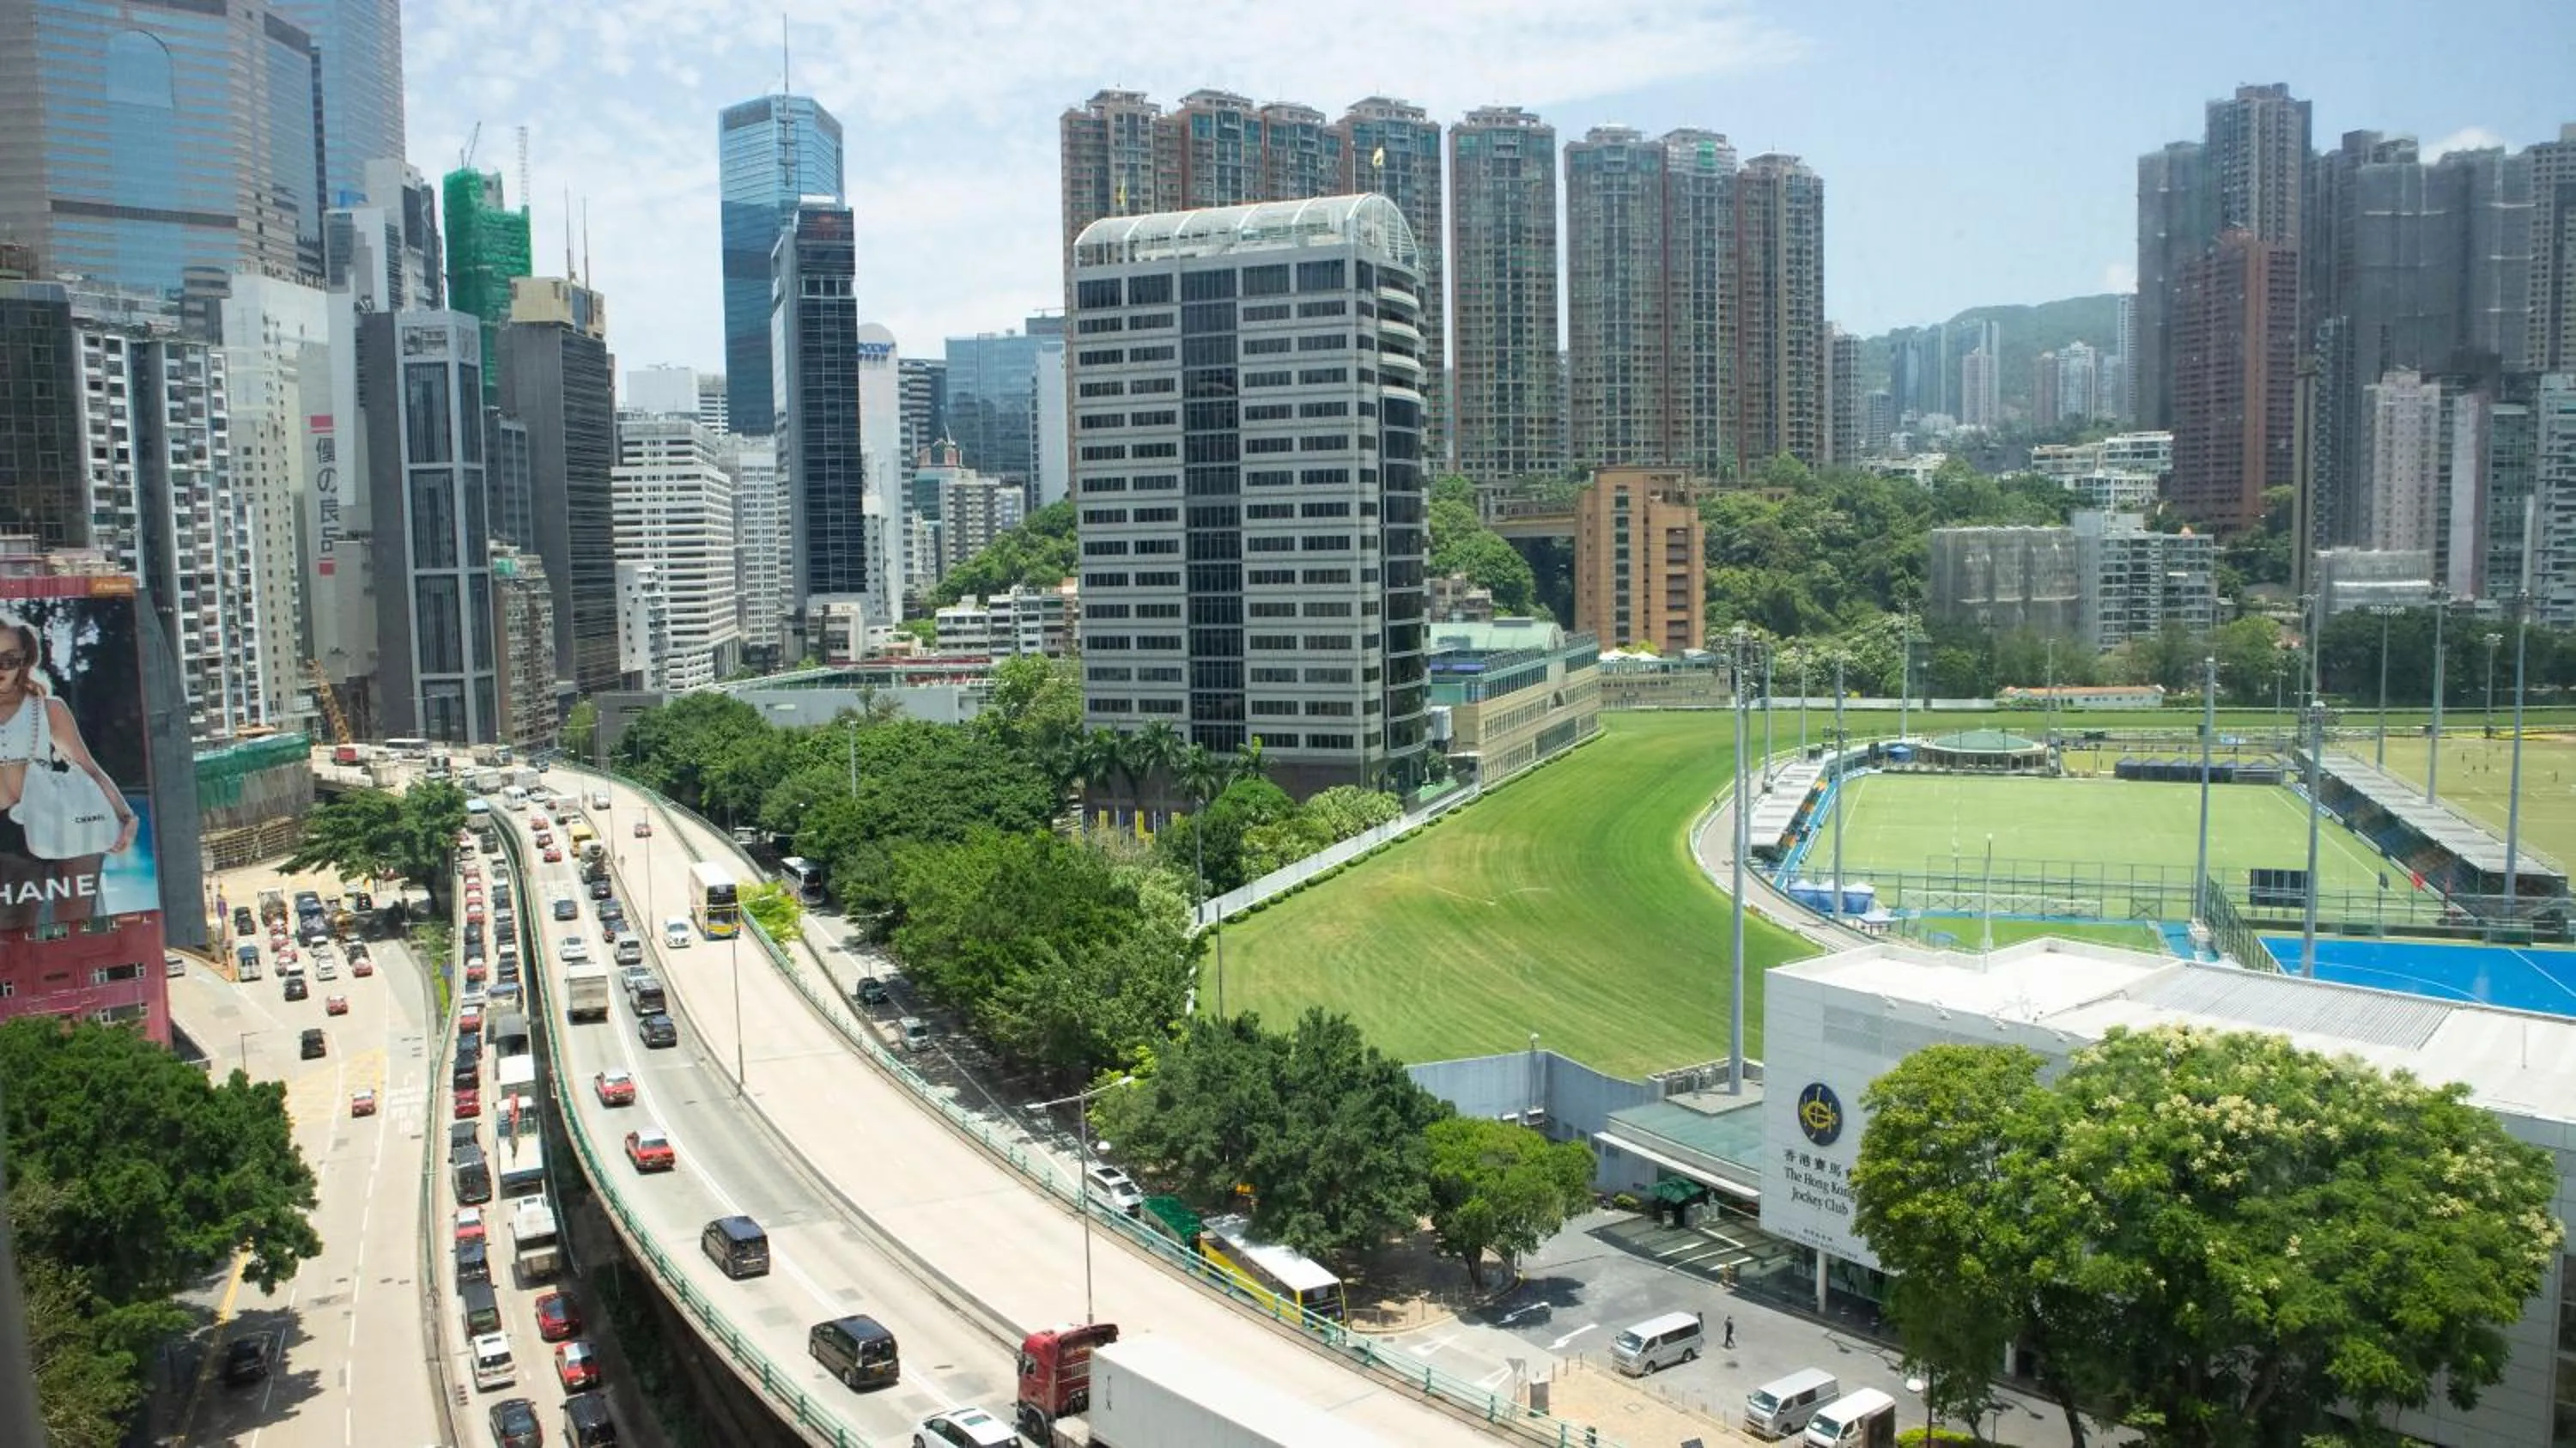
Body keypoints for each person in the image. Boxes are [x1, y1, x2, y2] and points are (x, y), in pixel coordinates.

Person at [0, 611, 139, 930]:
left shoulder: (48, 708)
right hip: (7, 838)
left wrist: (126, 818)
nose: (1, 669)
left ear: (24, 660)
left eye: (9, 659)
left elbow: (88, 767)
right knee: (15, 936)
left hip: (55, 819)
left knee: (77, 927)